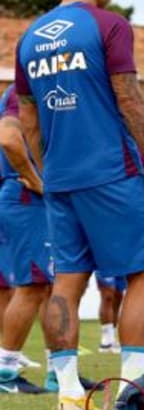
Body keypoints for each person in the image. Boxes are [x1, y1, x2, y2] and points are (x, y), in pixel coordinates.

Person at [14, 0, 144, 410]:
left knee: (67, 280)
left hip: (59, 178)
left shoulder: (30, 39)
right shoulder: (108, 26)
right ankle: (133, 392)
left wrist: (46, 170)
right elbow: (128, 97)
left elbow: (28, 117)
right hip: (110, 170)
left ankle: (66, 397)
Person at [0, 87, 53, 394]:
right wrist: (37, 181)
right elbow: (8, 138)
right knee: (31, 286)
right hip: (25, 198)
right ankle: (5, 372)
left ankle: (59, 369)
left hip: (36, 200)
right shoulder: (22, 90)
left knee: (51, 287)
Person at [94, 273, 125, 354]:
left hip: (122, 262)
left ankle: (112, 338)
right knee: (108, 295)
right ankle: (106, 340)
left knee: (118, 296)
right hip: (104, 262)